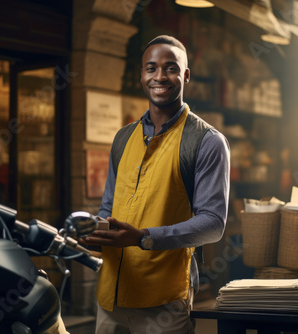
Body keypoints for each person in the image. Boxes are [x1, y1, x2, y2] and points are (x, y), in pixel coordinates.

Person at [79, 35, 230, 334]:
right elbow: (108, 208)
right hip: (111, 298)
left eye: (171, 68)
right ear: (142, 75)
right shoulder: (123, 138)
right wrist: (91, 231)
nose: (160, 76)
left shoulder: (207, 141)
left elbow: (213, 224)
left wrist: (143, 238)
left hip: (163, 302)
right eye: (151, 68)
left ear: (185, 75)